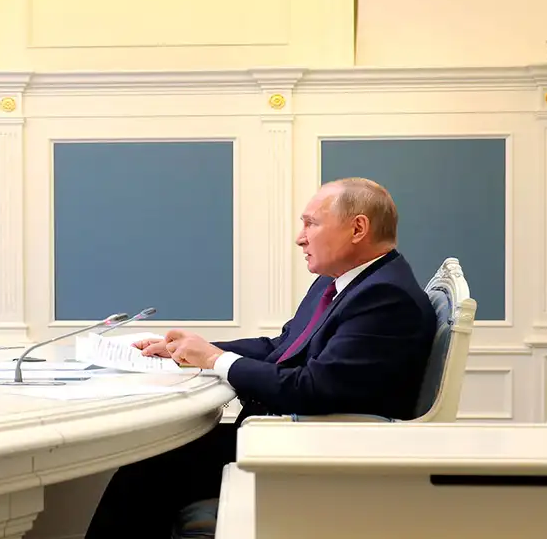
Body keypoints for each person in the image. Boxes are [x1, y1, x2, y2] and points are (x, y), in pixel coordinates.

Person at [83, 177, 438, 539]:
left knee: (146, 473)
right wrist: (195, 350)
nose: (300, 237)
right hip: (286, 435)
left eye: (311, 223)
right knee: (151, 461)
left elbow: (314, 389)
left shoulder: (385, 298)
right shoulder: (347, 282)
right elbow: (283, 346)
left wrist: (215, 360)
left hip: (317, 452)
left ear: (358, 228)